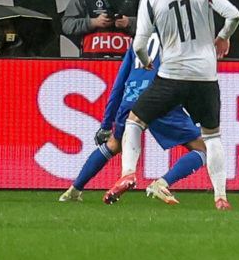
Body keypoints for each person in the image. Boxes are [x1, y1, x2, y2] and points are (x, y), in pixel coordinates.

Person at [107, 0, 239, 210]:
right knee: (212, 136)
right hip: (205, 76)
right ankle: (220, 197)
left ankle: (128, 172)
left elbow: (139, 44)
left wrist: (145, 62)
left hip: (171, 75)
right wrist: (223, 37)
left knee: (134, 121)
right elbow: (234, 15)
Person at [59, 41, 210, 205]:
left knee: (114, 144)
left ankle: (74, 190)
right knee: (203, 149)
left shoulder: (140, 39)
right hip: (160, 96)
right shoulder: (176, 36)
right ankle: (162, 184)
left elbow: (119, 84)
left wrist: (107, 124)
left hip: (130, 97)